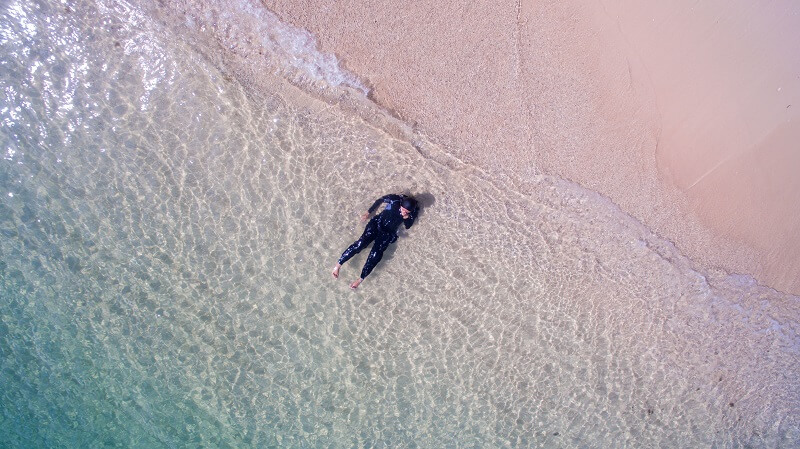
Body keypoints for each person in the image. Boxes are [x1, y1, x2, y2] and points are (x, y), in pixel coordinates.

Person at [332, 194, 419, 289]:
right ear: (401, 204)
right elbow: (380, 200)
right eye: (402, 209)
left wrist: (406, 217)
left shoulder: (413, 212)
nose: (403, 212)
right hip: (377, 223)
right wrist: (368, 212)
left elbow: (408, 226)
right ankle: (337, 266)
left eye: (406, 211)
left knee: (375, 255)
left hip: (388, 232)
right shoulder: (395, 200)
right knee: (360, 244)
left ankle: (360, 279)